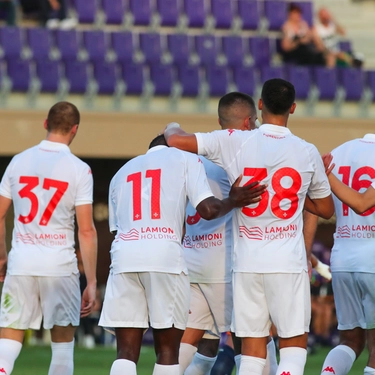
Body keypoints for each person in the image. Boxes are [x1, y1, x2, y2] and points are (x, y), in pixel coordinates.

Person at [165, 78, 334, 375]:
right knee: (292, 345)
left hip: (246, 263)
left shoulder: (233, 140)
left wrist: (172, 126)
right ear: (293, 108)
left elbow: (176, 140)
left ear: (260, 104)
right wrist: (293, 196)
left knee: (252, 350)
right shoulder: (306, 151)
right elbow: (325, 208)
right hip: (287, 261)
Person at [98, 134, 266, 375]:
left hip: (124, 256)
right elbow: (208, 210)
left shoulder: (121, 173)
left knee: (125, 352)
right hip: (165, 256)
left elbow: (116, 228)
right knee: (167, 352)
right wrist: (232, 200)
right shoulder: (185, 159)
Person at [179, 92, 278, 375]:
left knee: (197, 342)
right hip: (225, 264)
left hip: (193, 261)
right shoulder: (242, 159)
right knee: (251, 336)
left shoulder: (196, 161)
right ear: (248, 123)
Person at [0, 101, 98, 375]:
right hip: (60, 267)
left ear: (46, 123)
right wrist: (90, 281)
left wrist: (2, 256)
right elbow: (87, 230)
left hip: (22, 263)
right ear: (75, 130)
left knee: (8, 340)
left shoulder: (18, 161)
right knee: (63, 346)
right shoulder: (79, 169)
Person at [319, 135, 375, 375]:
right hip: (371, 257)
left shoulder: (337, 153)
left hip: (342, 257)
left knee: (350, 340)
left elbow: (317, 207)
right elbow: (363, 204)